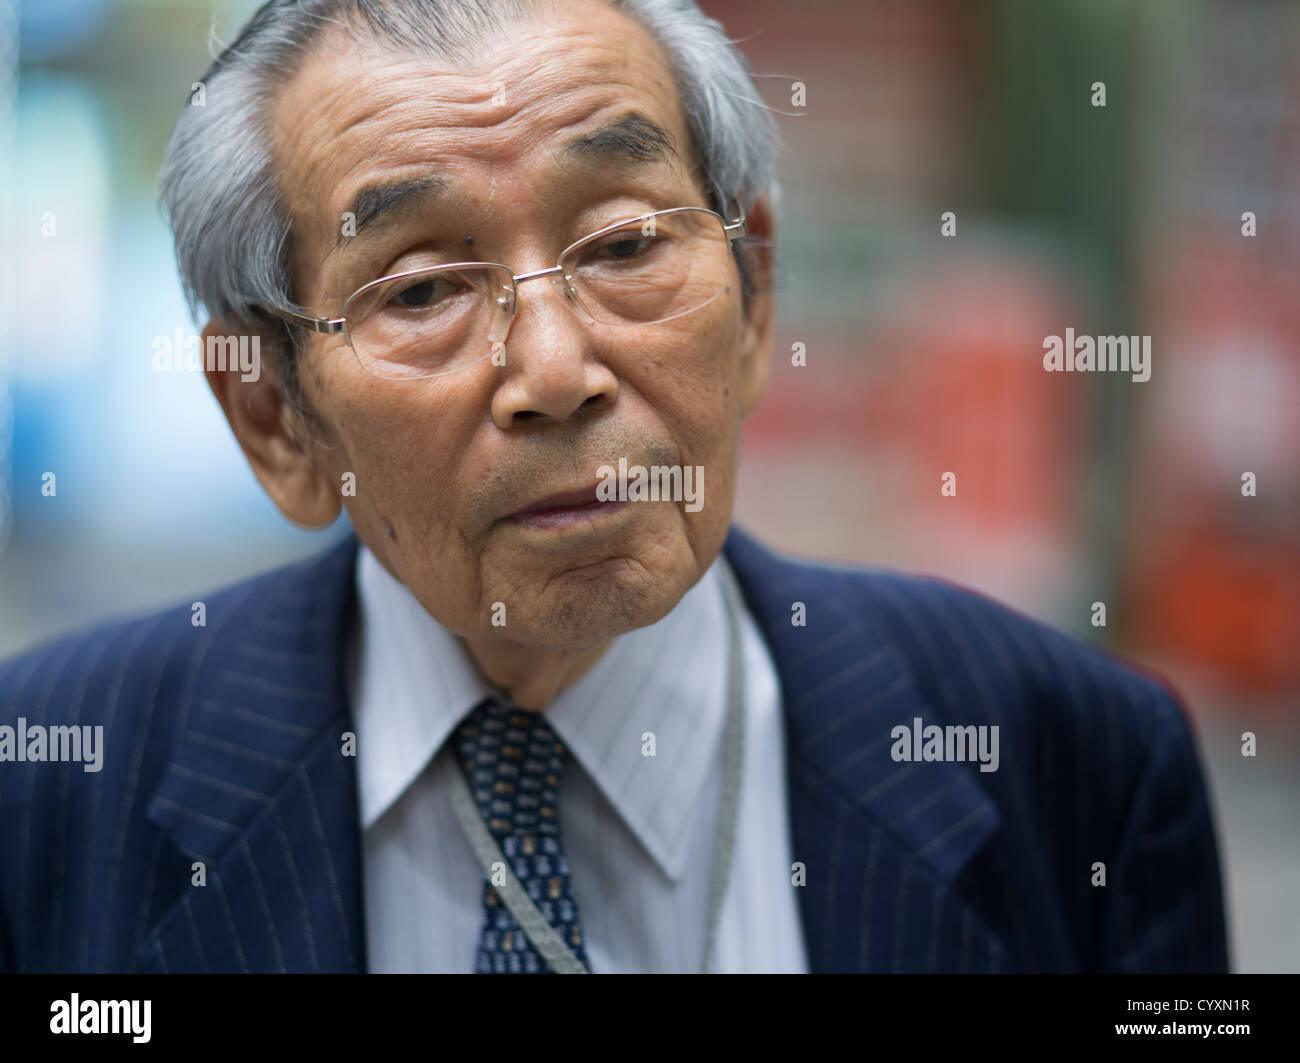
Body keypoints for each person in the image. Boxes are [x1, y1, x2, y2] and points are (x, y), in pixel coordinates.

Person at [0, 0, 1228, 974]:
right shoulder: (49, 786)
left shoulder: (1073, 763)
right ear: (274, 419)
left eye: (628, 244)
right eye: (421, 289)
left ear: (754, 299)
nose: (553, 369)